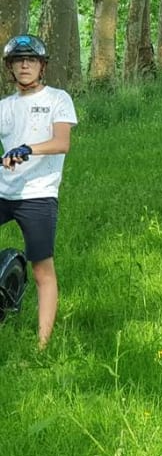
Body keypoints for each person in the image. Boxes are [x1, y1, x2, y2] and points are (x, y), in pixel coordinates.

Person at [0, 34, 78, 349]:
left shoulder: (58, 99)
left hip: (38, 195)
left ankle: (42, 347)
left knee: (42, 268)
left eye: (31, 60)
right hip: (4, 190)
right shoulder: (4, 107)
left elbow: (62, 143)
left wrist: (28, 148)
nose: (25, 65)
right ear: (11, 68)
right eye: (18, 61)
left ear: (42, 66)